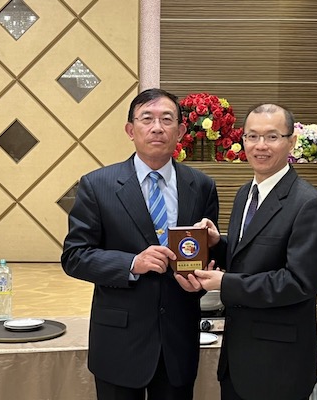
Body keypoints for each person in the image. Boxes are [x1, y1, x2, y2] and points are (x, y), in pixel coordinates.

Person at [61, 88, 219, 400]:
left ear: (181, 131)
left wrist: (202, 278)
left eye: (167, 119)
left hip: (178, 341)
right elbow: (75, 256)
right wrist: (133, 263)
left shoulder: (201, 185)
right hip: (119, 341)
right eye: (147, 119)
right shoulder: (97, 185)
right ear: (131, 130)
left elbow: (205, 255)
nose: (157, 127)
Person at [192, 103, 317, 400]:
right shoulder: (245, 193)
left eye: (272, 137)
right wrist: (218, 243)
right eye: (252, 136)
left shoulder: (309, 204)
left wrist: (224, 283)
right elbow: (249, 256)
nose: (260, 146)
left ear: (291, 142)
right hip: (237, 358)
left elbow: (300, 283)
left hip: (278, 363)